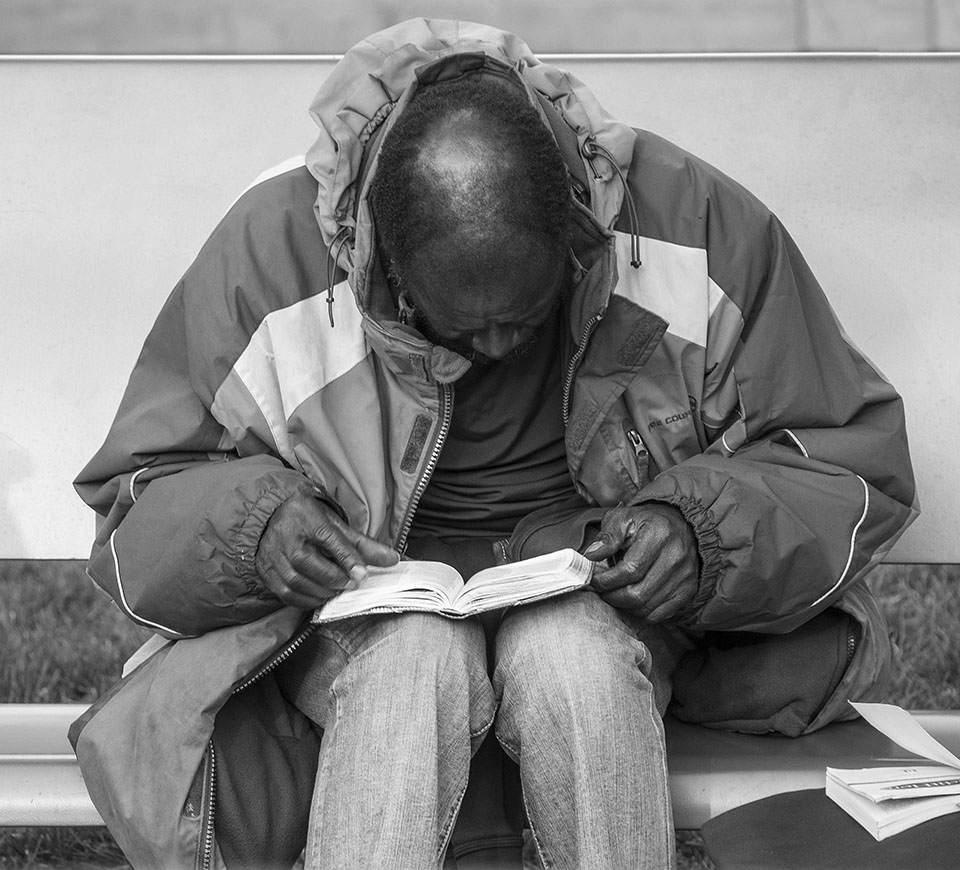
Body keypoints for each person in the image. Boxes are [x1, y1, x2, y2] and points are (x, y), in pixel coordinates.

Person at [69, 17, 918, 870]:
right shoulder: (274, 253)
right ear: (385, 267)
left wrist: (701, 532)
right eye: (462, 331)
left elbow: (844, 453)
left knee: (574, 660)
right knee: (411, 664)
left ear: (573, 235)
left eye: (527, 314)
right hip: (364, 620)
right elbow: (141, 495)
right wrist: (258, 532)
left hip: (600, 599)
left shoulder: (687, 224)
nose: (503, 348)